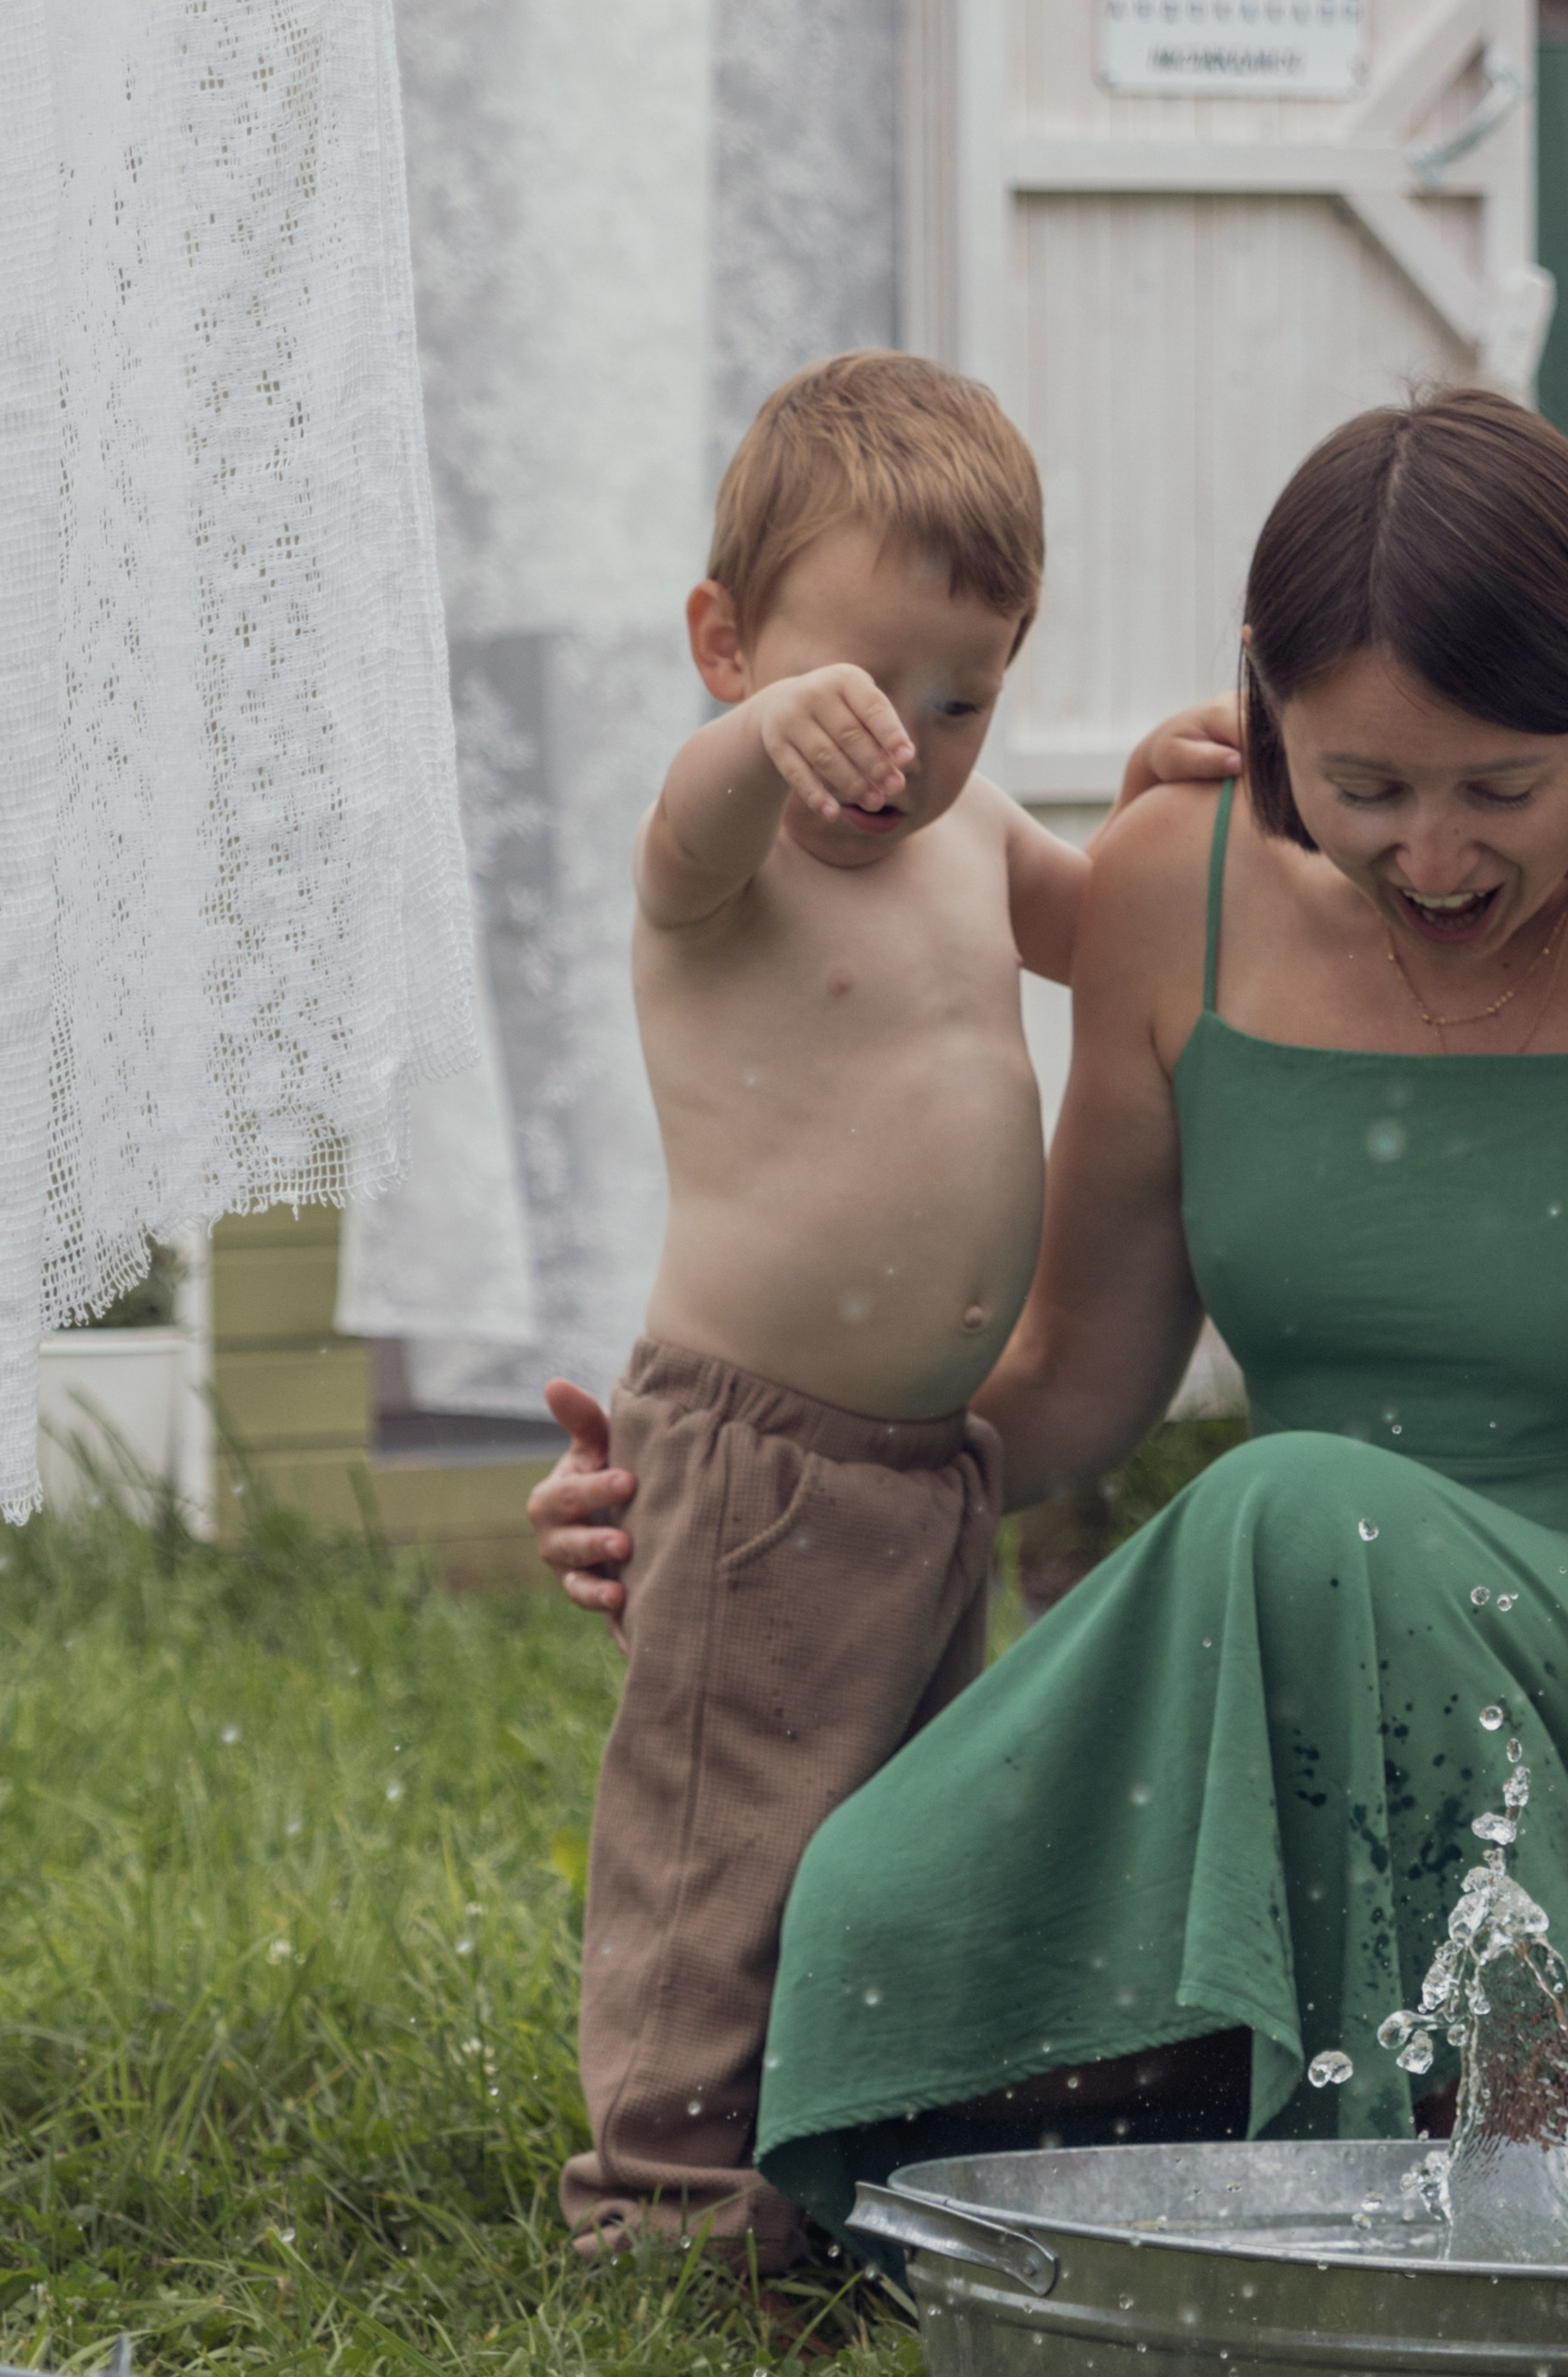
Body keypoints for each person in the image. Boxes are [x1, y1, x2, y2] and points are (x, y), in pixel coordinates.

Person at [529, 386, 1568, 2248]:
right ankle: (1325, 2134)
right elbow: (1062, 1386)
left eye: (1499, 787)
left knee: (1298, 1502)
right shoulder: (1170, 887)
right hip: (1309, 1677)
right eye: (1364, 785)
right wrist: (748, 1508)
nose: (1429, 854)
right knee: (855, 1922)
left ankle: (1453, 2125)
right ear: (1258, 701)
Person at [549, 348, 1105, 2267]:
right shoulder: (723, 864)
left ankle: (849, 2163)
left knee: (882, 1839)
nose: (907, 744)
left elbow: (1107, 927)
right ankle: (668, 2200)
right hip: (760, 1446)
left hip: (925, 1464)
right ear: (729, 645)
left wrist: (1208, 804)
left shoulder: (969, 831)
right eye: (859, 692)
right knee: (726, 1842)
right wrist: (757, 740)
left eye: (967, 697)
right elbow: (689, 819)